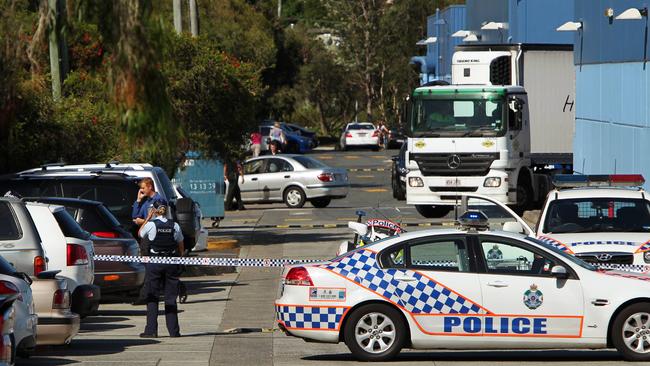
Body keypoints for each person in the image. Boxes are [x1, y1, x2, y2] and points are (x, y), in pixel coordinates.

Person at [139, 198, 184, 338]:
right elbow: (180, 244)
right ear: (167, 210)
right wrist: (179, 258)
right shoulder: (174, 225)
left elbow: (140, 233)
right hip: (170, 261)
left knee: (152, 296)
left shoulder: (151, 225)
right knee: (171, 298)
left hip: (155, 262)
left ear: (155, 210)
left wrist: (147, 218)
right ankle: (174, 331)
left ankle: (151, 330)